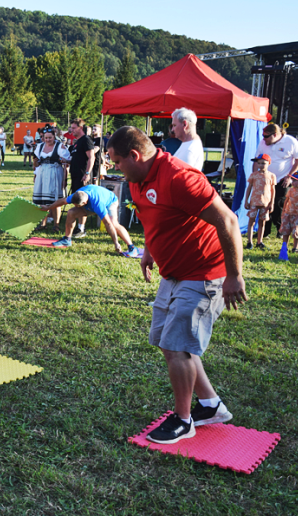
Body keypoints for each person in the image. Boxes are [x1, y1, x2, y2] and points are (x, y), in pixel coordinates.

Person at [107, 126, 246, 444]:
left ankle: (184, 421)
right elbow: (156, 217)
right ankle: (211, 405)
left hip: (204, 271)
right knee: (168, 340)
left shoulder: (179, 177)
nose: (116, 168)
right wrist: (149, 250)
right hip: (173, 273)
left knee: (177, 345)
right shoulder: (139, 178)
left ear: (134, 155)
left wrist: (234, 275)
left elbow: (228, 221)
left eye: (117, 162)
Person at [46, 185, 138, 254]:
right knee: (71, 212)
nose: (76, 207)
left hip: (110, 202)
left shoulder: (98, 204)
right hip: (90, 202)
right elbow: (62, 201)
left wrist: (116, 243)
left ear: (84, 202)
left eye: (78, 206)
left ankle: (132, 247)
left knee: (114, 223)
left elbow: (108, 223)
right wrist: (47, 208)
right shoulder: (76, 196)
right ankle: (67, 239)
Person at [256, 123, 298, 237]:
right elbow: (256, 160)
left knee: (279, 205)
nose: (264, 138)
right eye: (263, 135)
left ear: (275, 135)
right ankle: (264, 231)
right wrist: (256, 176)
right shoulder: (263, 143)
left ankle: (280, 230)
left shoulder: (290, 142)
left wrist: (289, 176)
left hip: (283, 179)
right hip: (266, 179)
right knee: (264, 204)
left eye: (266, 136)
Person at [32, 127, 70, 231]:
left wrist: (64, 179)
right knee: (43, 200)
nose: (48, 140)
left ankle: (56, 225)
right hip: (42, 173)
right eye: (46, 138)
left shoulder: (60, 146)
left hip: (55, 173)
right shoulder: (39, 147)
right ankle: (43, 224)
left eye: (50, 137)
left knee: (55, 200)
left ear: (54, 136)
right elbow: (36, 164)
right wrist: (35, 169)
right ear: (43, 138)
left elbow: (67, 162)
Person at [243, 154, 276, 250]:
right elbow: (249, 188)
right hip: (254, 201)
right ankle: (249, 241)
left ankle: (259, 241)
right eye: (259, 163)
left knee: (262, 222)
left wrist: (271, 203)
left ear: (269, 163)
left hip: (265, 203)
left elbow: (273, 190)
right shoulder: (254, 175)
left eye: (263, 163)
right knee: (251, 221)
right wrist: (246, 200)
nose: (261, 165)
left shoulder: (271, 176)